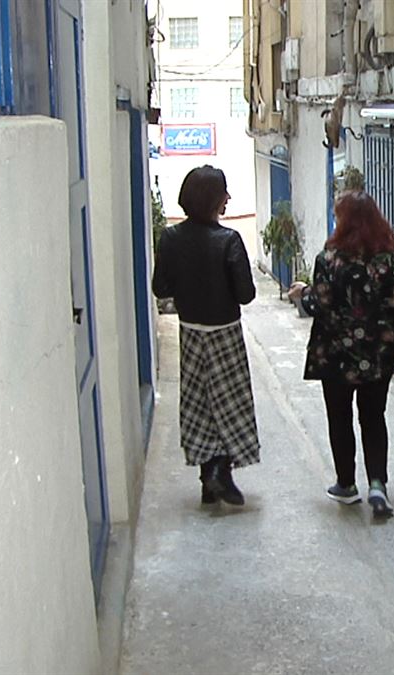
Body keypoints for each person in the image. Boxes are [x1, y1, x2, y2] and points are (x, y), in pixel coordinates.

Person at [289, 190, 394, 519]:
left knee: (340, 418)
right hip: (377, 357)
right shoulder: (393, 258)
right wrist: (392, 343)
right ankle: (378, 484)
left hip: (336, 357)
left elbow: (320, 305)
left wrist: (301, 295)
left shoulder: (330, 259)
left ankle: (346, 484)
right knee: (373, 418)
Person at [153, 166, 259, 506]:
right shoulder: (228, 240)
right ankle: (221, 473)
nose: (228, 198)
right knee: (230, 404)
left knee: (199, 403)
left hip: (191, 331)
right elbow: (245, 294)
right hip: (225, 331)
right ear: (214, 198)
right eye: (224, 192)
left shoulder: (170, 238)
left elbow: (160, 287)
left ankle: (207, 477)